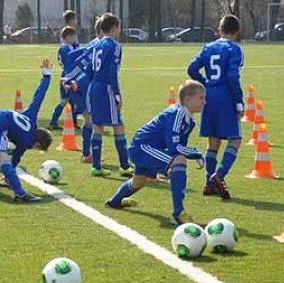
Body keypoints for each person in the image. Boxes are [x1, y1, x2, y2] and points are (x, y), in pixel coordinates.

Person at [106, 80, 206, 225]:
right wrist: (196, 154)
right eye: (201, 98)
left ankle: (114, 202)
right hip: (142, 148)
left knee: (138, 181)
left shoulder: (189, 121)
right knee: (179, 161)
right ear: (188, 99)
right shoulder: (176, 114)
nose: (204, 102)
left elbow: (179, 147)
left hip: (146, 148)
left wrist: (172, 167)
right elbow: (175, 148)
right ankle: (178, 214)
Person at [0, 59, 53, 202]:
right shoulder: (26, 141)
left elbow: (38, 97)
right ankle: (20, 193)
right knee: (3, 158)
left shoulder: (30, 117)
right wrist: (8, 177)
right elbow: (14, 160)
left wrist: (46, 76)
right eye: (37, 148)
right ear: (37, 144)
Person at [187, 15, 243, 200]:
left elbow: (192, 69)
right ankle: (218, 176)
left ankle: (208, 184)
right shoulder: (235, 49)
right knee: (235, 139)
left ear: (220, 30)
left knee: (213, 141)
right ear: (236, 32)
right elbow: (233, 77)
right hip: (225, 95)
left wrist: (206, 84)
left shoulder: (208, 47)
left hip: (209, 96)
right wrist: (239, 101)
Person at [88, 13, 132, 177]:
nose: (119, 31)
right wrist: (117, 94)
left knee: (98, 126)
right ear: (114, 28)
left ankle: (96, 166)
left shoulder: (97, 44)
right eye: (119, 27)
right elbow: (113, 70)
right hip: (106, 87)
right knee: (118, 125)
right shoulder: (114, 45)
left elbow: (92, 68)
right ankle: (125, 165)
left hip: (94, 86)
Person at [63, 17, 103, 163]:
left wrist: (68, 76)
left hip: (81, 84)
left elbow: (74, 55)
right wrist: (68, 78)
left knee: (90, 120)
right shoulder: (100, 45)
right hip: (84, 85)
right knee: (91, 120)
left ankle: (88, 154)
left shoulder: (94, 42)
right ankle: (88, 155)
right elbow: (82, 60)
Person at [48, 26, 76, 129]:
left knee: (71, 100)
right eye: (73, 37)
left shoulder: (62, 47)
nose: (74, 39)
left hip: (64, 74)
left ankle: (72, 122)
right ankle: (53, 121)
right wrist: (69, 79)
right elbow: (70, 63)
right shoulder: (68, 48)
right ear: (68, 37)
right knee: (65, 100)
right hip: (68, 75)